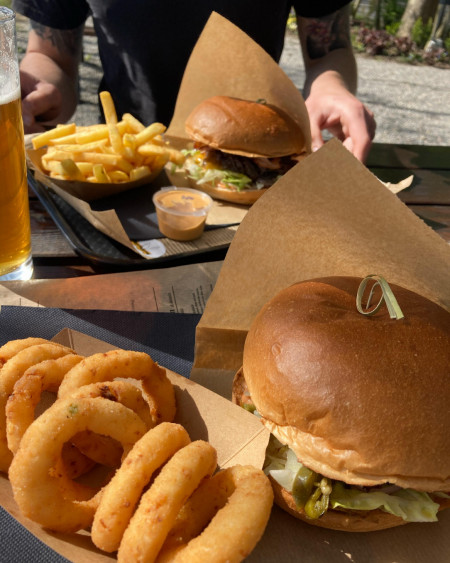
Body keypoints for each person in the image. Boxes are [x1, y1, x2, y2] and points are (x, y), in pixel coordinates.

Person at [12, 1, 376, 162]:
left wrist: (331, 88)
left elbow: (329, 49)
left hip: (265, 167)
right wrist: (39, 91)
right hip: (126, 165)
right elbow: (50, 55)